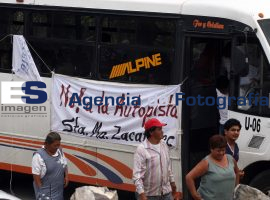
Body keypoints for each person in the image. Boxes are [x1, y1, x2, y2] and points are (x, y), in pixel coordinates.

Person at [132, 118, 179, 200]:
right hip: (149, 195)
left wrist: (173, 184)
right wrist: (142, 195)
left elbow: (168, 168)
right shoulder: (142, 149)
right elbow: (137, 176)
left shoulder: (164, 145)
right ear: (151, 132)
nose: (162, 131)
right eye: (159, 129)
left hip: (166, 193)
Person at [186, 135, 239, 200]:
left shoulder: (230, 159)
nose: (221, 153)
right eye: (218, 151)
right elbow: (189, 177)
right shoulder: (206, 162)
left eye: (223, 150)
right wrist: (195, 196)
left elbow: (237, 172)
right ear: (211, 149)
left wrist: (236, 188)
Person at [32, 132, 68, 200]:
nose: (57, 147)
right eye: (55, 145)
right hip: (47, 196)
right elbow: (36, 179)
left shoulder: (59, 150)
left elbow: (64, 163)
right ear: (46, 144)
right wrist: (42, 195)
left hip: (59, 195)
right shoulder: (38, 156)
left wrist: (66, 176)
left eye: (59, 145)